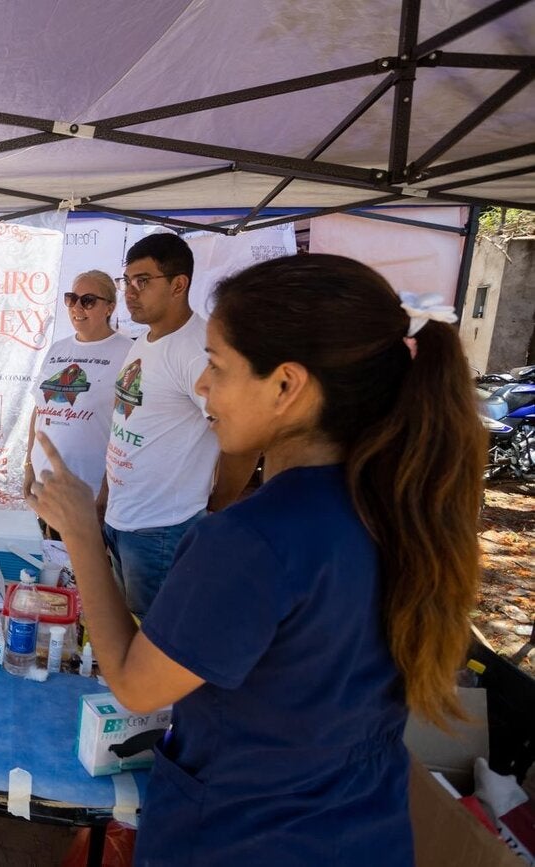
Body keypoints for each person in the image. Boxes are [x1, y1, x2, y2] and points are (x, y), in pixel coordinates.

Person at [28, 253, 484, 866]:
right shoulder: (400, 505)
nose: (202, 385)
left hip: (243, 838)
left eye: (217, 364)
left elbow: (137, 684)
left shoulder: (252, 540)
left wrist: (82, 531)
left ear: (286, 386)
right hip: (361, 833)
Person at [104, 233, 256, 615]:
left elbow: (245, 437)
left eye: (142, 281)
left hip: (163, 529)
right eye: (127, 282)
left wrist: (219, 502)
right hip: (124, 518)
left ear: (178, 285)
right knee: (124, 633)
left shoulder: (196, 349)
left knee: (150, 646)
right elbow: (126, 422)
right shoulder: (145, 341)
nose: (130, 292)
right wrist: (106, 498)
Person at [22, 270, 132, 530]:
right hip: (47, 486)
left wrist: (106, 492)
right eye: (72, 299)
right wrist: (28, 465)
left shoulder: (128, 352)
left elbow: (130, 426)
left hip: (91, 493)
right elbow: (38, 410)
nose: (77, 307)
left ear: (110, 308)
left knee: (85, 568)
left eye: (88, 300)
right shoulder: (58, 349)